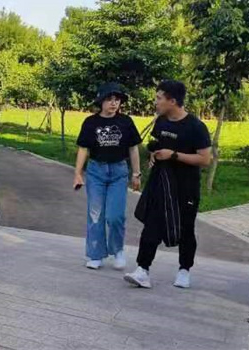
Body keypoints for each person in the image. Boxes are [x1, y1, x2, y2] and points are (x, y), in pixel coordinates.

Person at [124, 80, 212, 289]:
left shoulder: (196, 127)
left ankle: (184, 270)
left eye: (159, 98)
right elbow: (156, 146)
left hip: (185, 186)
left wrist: (173, 155)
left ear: (172, 101)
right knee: (151, 225)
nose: (155, 102)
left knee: (186, 228)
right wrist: (153, 155)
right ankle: (142, 269)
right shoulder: (161, 121)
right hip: (160, 183)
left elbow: (205, 159)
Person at [74, 82, 142, 270]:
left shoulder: (126, 122)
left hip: (119, 172)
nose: (114, 103)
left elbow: (133, 148)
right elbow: (83, 149)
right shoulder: (91, 122)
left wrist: (136, 173)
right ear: (101, 101)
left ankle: (117, 250)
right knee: (95, 215)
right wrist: (77, 173)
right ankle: (95, 254)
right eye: (109, 99)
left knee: (115, 216)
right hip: (96, 171)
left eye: (117, 100)